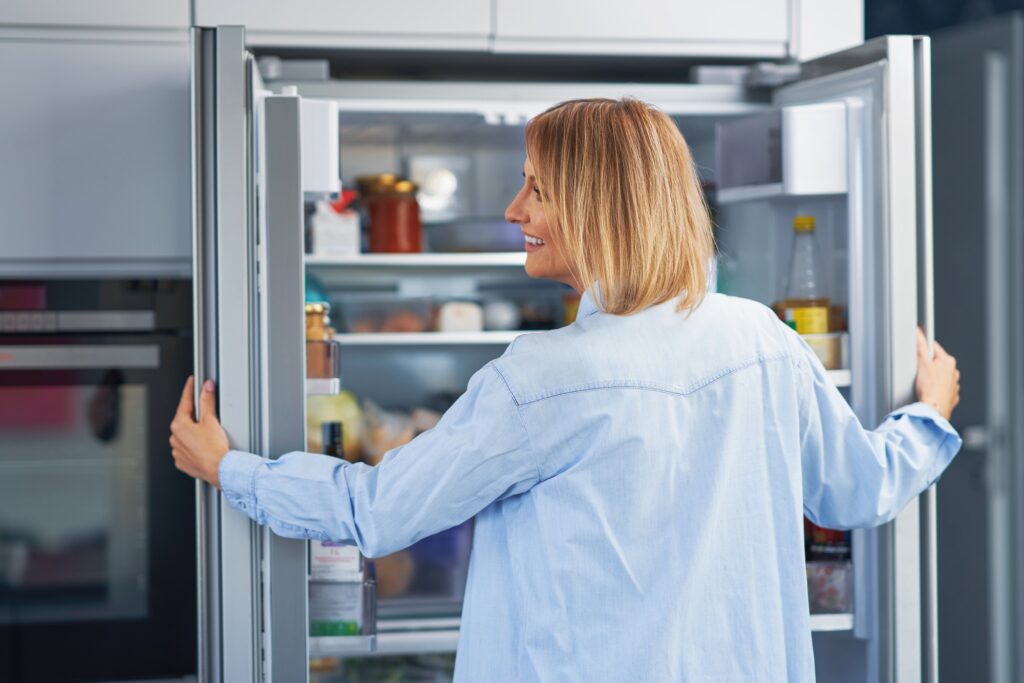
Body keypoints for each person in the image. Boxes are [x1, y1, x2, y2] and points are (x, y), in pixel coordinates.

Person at [169, 98, 961, 682]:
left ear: (599, 207)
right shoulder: (761, 340)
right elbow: (861, 487)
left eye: (536, 191)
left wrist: (228, 467)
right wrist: (926, 415)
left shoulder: (539, 380)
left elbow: (375, 512)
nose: (515, 210)